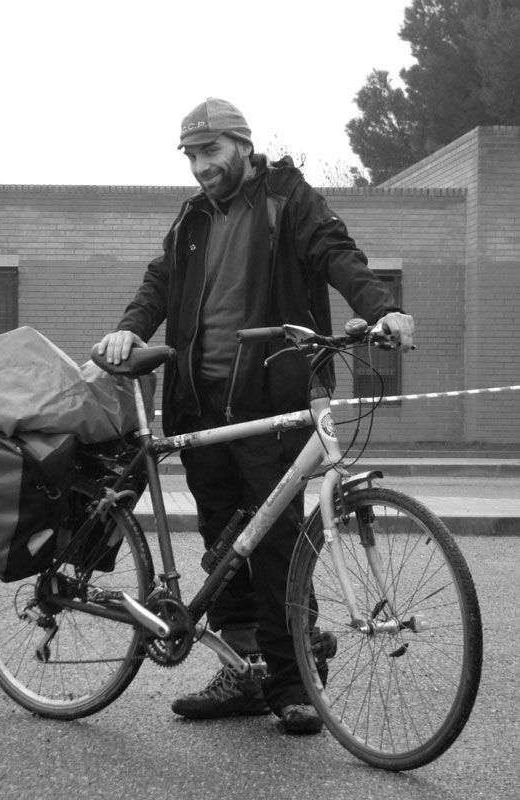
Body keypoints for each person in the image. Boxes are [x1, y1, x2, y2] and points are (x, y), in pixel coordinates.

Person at [96, 97, 414, 734]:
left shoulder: (287, 199)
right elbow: (160, 281)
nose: (200, 166)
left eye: (210, 151)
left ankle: (293, 683)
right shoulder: (192, 217)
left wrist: (380, 308)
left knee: (277, 548)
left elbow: (336, 252)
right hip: (199, 403)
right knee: (225, 546)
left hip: (270, 400)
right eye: (191, 155)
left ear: (242, 145)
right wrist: (131, 327)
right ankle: (244, 673)